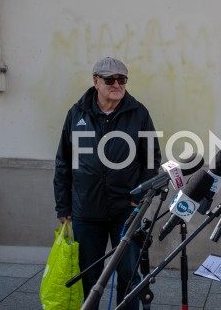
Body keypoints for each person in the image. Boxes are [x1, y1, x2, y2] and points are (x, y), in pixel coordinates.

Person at [54, 57, 161, 310]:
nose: (117, 84)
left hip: (126, 210)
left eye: (121, 79)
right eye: (110, 79)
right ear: (95, 81)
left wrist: (140, 198)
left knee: (129, 276)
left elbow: (151, 158)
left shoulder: (139, 113)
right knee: (90, 278)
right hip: (86, 211)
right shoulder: (77, 113)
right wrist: (63, 207)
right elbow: (63, 162)